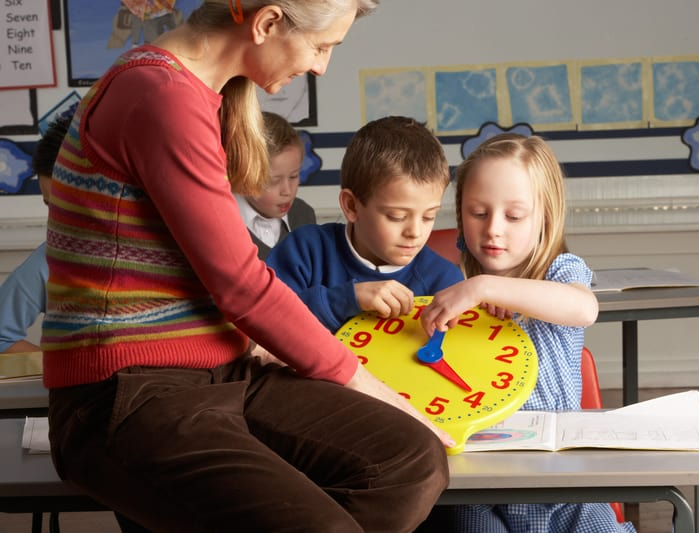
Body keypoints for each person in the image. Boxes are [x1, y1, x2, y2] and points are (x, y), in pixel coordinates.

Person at [42, 2, 454, 532]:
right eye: (321, 47)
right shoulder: (159, 95)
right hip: (127, 389)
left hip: (221, 371)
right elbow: (242, 286)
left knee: (410, 462)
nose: (321, 66)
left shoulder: (201, 95)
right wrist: (373, 388)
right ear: (267, 23)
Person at [418, 134, 636, 532]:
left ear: (545, 219)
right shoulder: (450, 287)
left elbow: (584, 309)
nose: (493, 229)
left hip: (564, 483)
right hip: (480, 486)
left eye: (514, 216)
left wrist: (487, 287)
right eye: (478, 213)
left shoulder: (560, 271)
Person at [267, 115, 464, 333]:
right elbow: (266, 320)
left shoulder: (446, 282)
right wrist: (348, 299)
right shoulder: (304, 251)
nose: (415, 232)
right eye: (397, 216)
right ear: (351, 206)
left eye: (429, 217)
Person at [0, 114, 70, 354]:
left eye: (68, 207)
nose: (55, 221)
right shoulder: (47, 260)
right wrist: (56, 367)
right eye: (50, 206)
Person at [235, 111, 316, 260]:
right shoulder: (222, 222)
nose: (287, 191)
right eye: (274, 181)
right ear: (243, 176)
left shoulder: (304, 214)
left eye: (294, 176)